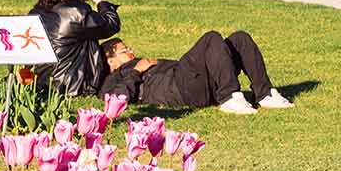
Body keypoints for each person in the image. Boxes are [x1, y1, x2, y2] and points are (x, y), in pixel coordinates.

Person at [100, 33, 292, 113]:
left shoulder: (141, 62)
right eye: (125, 51)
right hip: (180, 88)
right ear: (111, 60)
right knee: (211, 38)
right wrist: (136, 70)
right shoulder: (114, 78)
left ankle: (265, 94)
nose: (132, 52)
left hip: (194, 80)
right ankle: (229, 97)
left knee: (239, 38)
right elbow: (116, 99)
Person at [30, 0, 121, 97]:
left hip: (39, 80)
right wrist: (100, 0)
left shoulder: (36, 12)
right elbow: (111, 24)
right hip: (71, 84)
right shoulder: (76, 13)